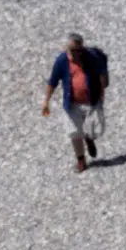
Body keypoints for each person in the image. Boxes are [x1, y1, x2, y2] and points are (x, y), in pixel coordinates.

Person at [42, 33, 109, 173]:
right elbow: (53, 81)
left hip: (91, 101)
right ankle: (81, 160)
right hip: (71, 104)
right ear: (67, 48)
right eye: (73, 50)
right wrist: (46, 101)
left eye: (79, 50)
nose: (76, 53)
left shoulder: (92, 58)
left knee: (94, 129)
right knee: (74, 132)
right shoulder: (61, 61)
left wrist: (102, 93)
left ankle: (89, 138)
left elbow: (102, 74)